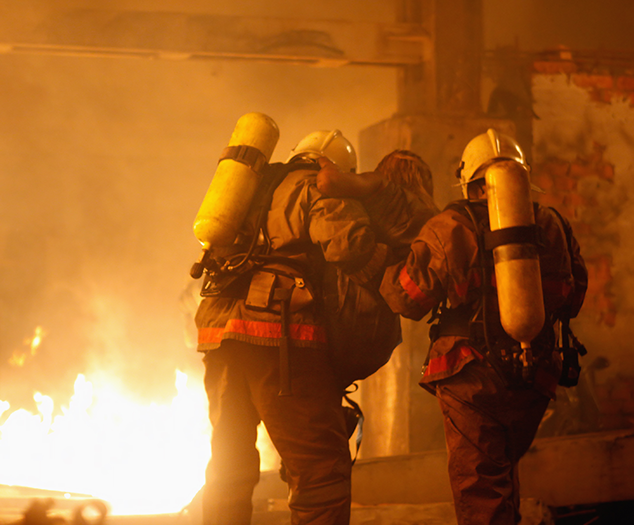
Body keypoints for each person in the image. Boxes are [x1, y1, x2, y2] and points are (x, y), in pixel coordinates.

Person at [379, 129, 588, 525]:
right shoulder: (553, 224)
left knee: (479, 488)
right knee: (503, 473)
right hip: (536, 373)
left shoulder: (450, 226)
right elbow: (573, 296)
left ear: (469, 181)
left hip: (470, 373)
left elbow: (407, 298)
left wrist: (382, 263)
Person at [195, 129, 388, 525]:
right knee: (320, 469)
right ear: (334, 167)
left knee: (229, 467)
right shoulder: (315, 187)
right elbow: (348, 247)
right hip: (279, 336)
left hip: (220, 336)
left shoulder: (252, 188)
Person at [315, 149, 440, 393]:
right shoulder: (430, 214)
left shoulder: (384, 187)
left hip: (355, 313)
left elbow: (328, 182)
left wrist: (323, 161)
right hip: (386, 332)